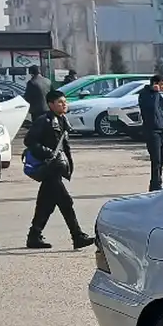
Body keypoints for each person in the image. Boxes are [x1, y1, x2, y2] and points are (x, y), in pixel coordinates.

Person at [23, 90, 95, 250]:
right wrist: (48, 152)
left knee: (45, 204)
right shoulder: (44, 121)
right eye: (60, 102)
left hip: (56, 168)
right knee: (65, 202)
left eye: (65, 102)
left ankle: (34, 236)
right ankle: (77, 236)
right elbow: (29, 141)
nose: (64, 105)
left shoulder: (62, 120)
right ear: (51, 104)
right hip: (49, 168)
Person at [138, 74, 163, 191]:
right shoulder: (145, 94)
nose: (162, 87)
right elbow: (151, 107)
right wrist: (155, 92)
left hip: (161, 130)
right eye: (161, 84)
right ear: (154, 84)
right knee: (156, 159)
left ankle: (158, 181)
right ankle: (155, 185)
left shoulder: (158, 95)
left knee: (162, 159)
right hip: (151, 131)